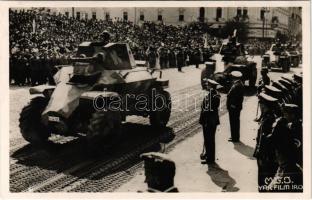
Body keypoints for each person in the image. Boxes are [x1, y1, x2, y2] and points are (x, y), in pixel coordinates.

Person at [268, 104, 303, 192]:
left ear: (293, 115)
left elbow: (292, 146)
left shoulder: (296, 127)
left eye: (286, 113)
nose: (284, 116)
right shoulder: (291, 125)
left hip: (289, 162)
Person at [253, 93, 279, 192]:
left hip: (266, 157)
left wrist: (262, 156)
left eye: (262, 104)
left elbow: (268, 141)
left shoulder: (269, 120)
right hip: (263, 155)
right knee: (262, 180)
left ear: (266, 106)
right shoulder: (266, 117)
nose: (260, 106)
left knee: (265, 180)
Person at [199, 79, 221, 164]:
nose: (207, 86)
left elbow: (208, 109)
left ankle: (210, 159)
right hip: (209, 120)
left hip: (209, 121)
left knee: (209, 140)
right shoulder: (212, 95)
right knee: (208, 139)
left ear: (211, 86)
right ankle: (207, 154)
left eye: (208, 85)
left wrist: (203, 116)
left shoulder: (213, 96)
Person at [227, 71, 244, 142]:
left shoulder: (237, 85)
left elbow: (236, 97)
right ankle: (234, 136)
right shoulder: (238, 84)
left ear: (234, 77)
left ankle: (235, 138)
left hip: (234, 107)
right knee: (234, 122)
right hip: (235, 107)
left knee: (234, 122)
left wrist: (232, 105)